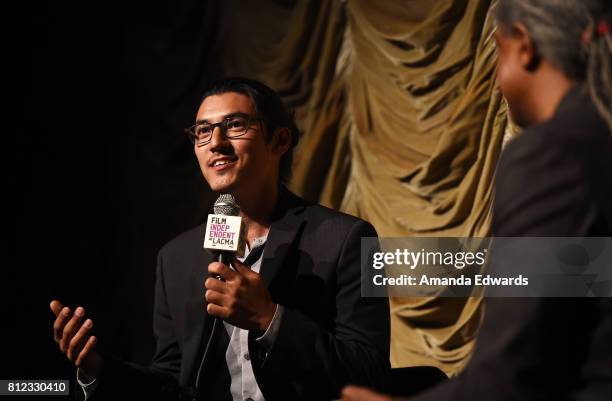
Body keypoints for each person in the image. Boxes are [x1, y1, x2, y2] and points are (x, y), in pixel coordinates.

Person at [50, 77, 390, 401]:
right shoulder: (175, 258)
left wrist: (270, 319)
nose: (215, 142)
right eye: (202, 131)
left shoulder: (351, 238)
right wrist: (99, 370)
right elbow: (172, 383)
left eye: (235, 125)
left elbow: (370, 373)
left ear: (280, 141)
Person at [341, 0, 612, 400]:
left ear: (523, 44)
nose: (498, 80)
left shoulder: (553, 155)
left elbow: (516, 370)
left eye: (497, 55)